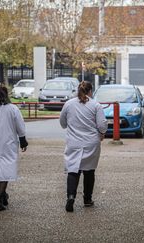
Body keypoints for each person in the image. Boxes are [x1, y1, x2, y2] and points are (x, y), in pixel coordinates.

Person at [59, 81, 108, 212]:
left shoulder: (69, 104)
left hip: (73, 142)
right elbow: (102, 124)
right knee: (89, 170)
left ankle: (70, 196)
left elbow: (62, 123)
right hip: (90, 142)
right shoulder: (95, 105)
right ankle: (87, 199)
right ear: (90, 91)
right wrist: (102, 133)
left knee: (73, 170)